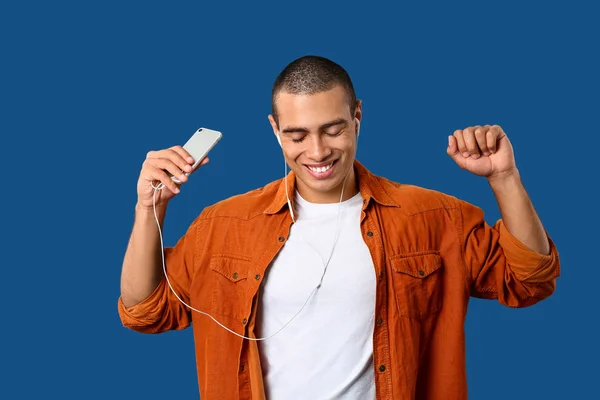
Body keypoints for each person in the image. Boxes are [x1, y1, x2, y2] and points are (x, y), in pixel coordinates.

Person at [118, 55, 560, 400]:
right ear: (274, 129)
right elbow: (146, 311)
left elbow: (528, 279)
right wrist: (147, 209)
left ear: (358, 116)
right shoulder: (224, 225)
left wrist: (504, 178)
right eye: (297, 135)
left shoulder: (432, 218)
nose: (317, 151)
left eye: (333, 130)